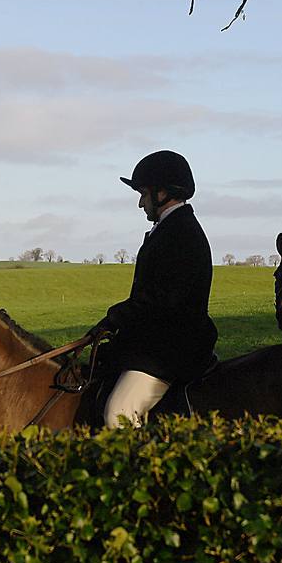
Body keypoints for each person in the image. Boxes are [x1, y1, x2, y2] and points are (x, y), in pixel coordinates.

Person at [91, 150, 218, 428]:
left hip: (172, 349)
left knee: (119, 414)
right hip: (153, 343)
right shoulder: (169, 227)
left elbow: (164, 298)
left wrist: (115, 317)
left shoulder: (182, 232)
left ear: (162, 193)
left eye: (143, 194)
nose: (140, 203)